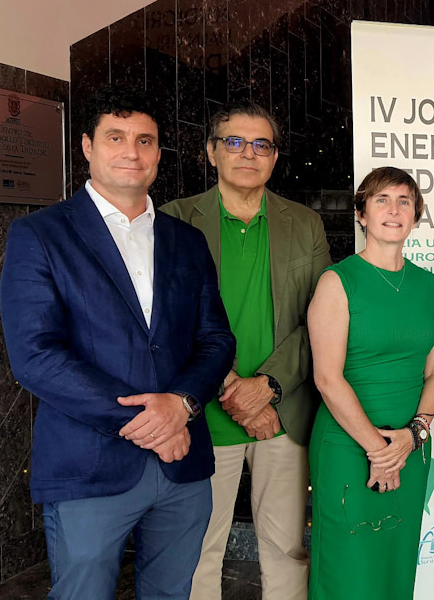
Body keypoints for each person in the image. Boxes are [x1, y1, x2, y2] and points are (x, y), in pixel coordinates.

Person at [0, 85, 235, 599]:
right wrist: (150, 422)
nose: (132, 151)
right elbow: (36, 355)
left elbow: (215, 339)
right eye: (116, 137)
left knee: (173, 594)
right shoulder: (40, 235)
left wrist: (183, 404)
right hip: (90, 465)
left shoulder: (186, 240)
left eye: (145, 140)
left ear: (157, 153)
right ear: (87, 146)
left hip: (183, 463)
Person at [160, 101, 331, 599]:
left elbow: (318, 322)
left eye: (261, 144)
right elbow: (170, 321)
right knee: (198, 550)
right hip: (201, 413)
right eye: (234, 142)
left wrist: (268, 388)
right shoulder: (174, 220)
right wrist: (235, 390)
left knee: (286, 549)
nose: (248, 153)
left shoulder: (304, 224)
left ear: (275, 157)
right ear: (210, 152)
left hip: (283, 413)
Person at [306, 166, 434, 599]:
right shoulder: (337, 281)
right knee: (348, 572)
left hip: (410, 448)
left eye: (405, 201)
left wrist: (414, 433)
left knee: (395, 566)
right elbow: (327, 379)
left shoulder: (430, 286)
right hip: (349, 448)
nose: (394, 209)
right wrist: (379, 449)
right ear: (361, 214)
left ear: (416, 215)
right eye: (382, 200)